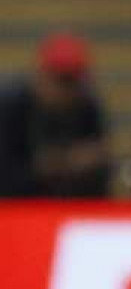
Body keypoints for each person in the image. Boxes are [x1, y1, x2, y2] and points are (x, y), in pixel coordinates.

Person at [0, 32, 111, 198]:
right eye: (62, 80)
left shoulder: (87, 106)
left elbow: (100, 160)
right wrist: (61, 163)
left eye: (75, 81)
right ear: (41, 74)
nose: (68, 91)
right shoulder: (10, 108)